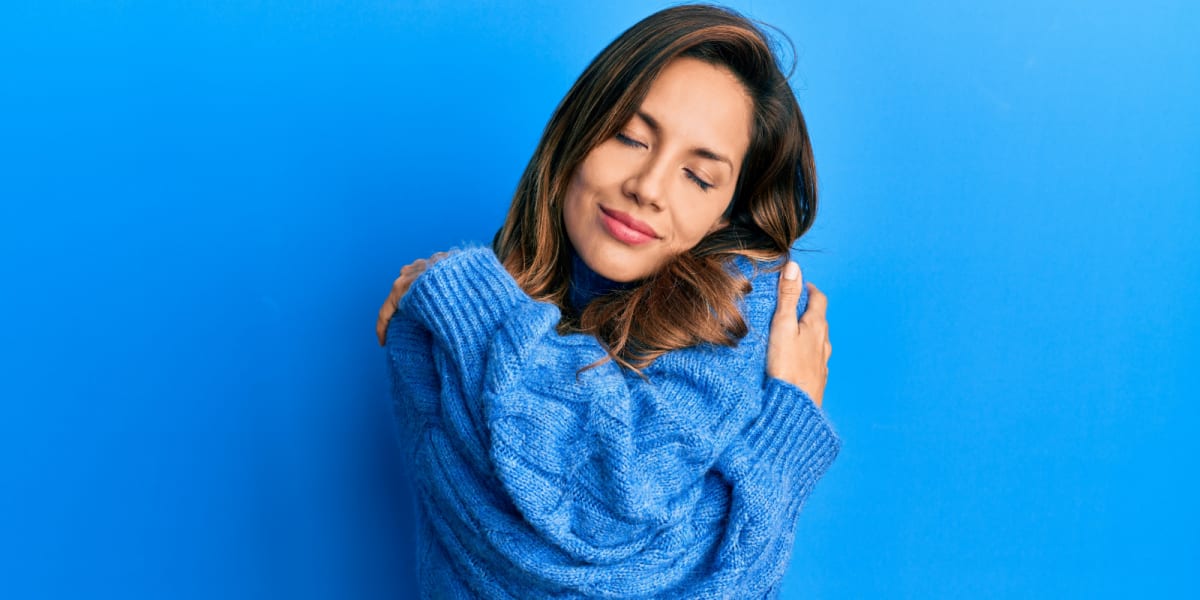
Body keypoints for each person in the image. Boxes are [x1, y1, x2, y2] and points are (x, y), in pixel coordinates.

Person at [375, 4, 840, 598]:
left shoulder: (739, 310)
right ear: (579, 129)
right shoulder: (452, 322)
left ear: (727, 210)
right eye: (629, 137)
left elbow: (605, 507)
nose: (647, 188)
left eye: (698, 177)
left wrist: (469, 303)